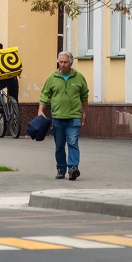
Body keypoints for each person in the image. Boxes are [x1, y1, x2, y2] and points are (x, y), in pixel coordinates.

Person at [38, 51, 90, 180]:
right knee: (60, 145)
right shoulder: (52, 77)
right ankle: (61, 168)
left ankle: (73, 168)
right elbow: (45, 95)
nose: (63, 64)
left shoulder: (79, 77)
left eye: (65, 62)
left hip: (74, 117)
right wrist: (40, 110)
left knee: (73, 142)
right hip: (57, 117)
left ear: (71, 63)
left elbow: (84, 96)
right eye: (60, 62)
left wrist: (85, 113)